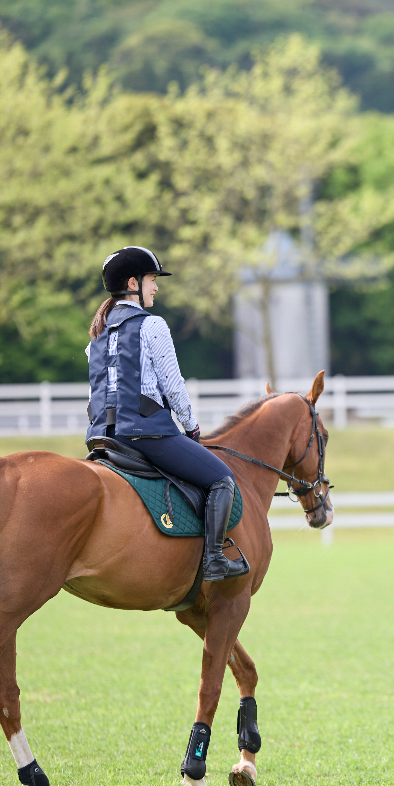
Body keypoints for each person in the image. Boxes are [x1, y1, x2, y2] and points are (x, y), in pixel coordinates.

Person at [86, 246, 248, 582]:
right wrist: (191, 427)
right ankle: (214, 560)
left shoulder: (97, 334)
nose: (156, 287)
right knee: (222, 479)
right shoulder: (152, 325)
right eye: (152, 280)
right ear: (133, 283)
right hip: (146, 434)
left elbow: (96, 392)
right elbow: (173, 387)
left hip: (101, 437)